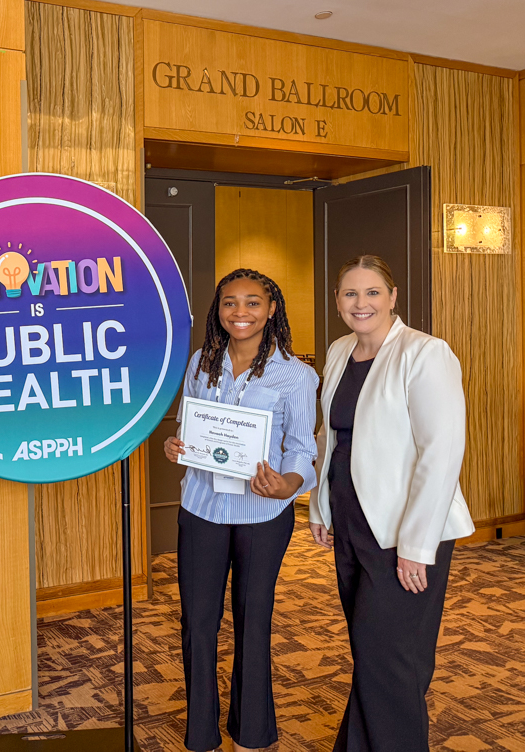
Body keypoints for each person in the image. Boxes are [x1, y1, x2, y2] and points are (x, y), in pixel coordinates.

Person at [309, 255, 474, 751]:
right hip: (351, 521)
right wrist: (320, 506)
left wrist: (416, 545)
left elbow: (441, 453)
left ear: (393, 297)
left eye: (373, 292)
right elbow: (330, 437)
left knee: (389, 658)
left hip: (404, 531)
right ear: (338, 302)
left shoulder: (425, 353)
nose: (362, 303)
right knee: (375, 651)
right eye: (351, 294)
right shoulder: (340, 351)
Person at [164, 268, 318, 752]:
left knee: (254, 620)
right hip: (202, 508)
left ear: (272, 309)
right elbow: (189, 426)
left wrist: (289, 484)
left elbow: (301, 449)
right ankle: (201, 734)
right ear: (219, 310)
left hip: (263, 515)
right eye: (230, 303)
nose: (241, 313)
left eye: (253, 302)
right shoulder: (199, 363)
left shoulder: (296, 374)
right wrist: (177, 446)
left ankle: (252, 732)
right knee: (198, 622)